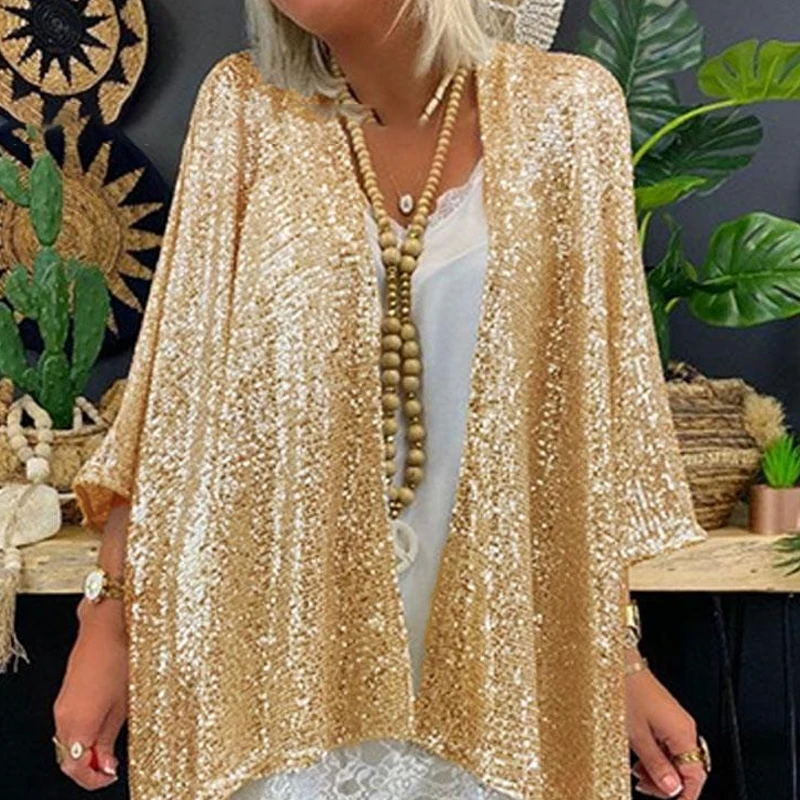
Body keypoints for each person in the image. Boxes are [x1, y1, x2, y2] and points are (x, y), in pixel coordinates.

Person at [52, 1, 711, 798]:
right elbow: (172, 398)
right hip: (277, 676)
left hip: (500, 679)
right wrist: (108, 624)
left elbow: (583, 436)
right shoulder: (245, 108)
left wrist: (614, 659)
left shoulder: (569, 111)